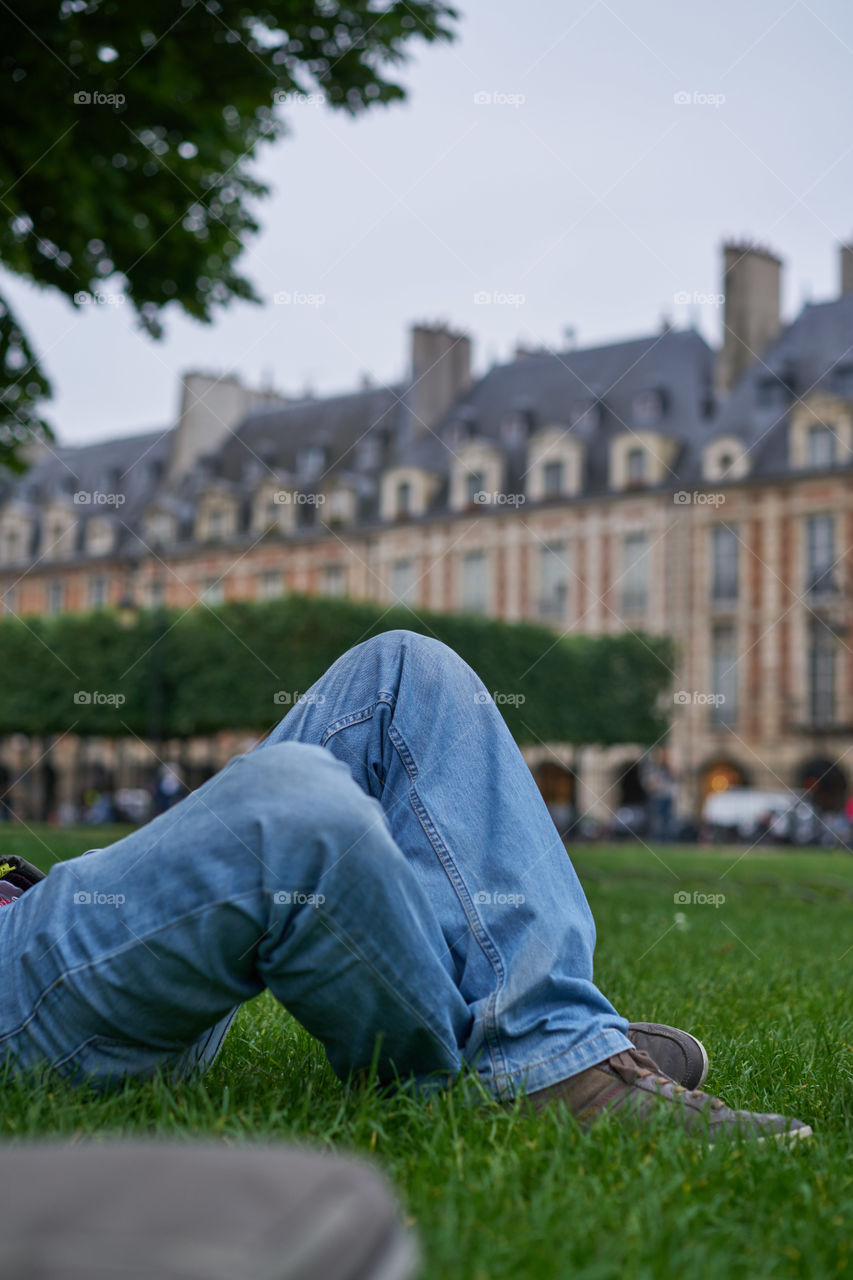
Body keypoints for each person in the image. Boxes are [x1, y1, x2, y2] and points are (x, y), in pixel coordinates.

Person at [0, 631, 811, 1140]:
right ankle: (536, 1074)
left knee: (405, 669)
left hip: (28, 905)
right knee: (290, 805)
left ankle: (540, 1031)